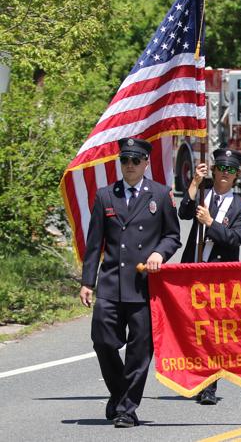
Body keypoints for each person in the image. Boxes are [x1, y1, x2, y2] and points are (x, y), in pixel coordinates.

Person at [79, 138, 181, 428]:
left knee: (139, 350)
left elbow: (172, 235)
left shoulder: (160, 195)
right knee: (102, 341)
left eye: (136, 160)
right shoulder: (105, 196)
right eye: (125, 160)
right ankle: (120, 394)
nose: (130, 165)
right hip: (111, 283)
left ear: (146, 162)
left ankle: (126, 408)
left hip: (142, 285)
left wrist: (159, 253)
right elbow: (94, 243)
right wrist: (88, 281)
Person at [178, 148, 241, 405]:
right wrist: (195, 182)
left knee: (214, 333)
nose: (224, 173)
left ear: (236, 175)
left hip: (220, 277)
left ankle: (209, 386)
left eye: (230, 170)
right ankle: (196, 377)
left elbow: (235, 239)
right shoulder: (203, 194)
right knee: (193, 330)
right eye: (220, 167)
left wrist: (211, 222)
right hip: (194, 271)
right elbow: (184, 213)